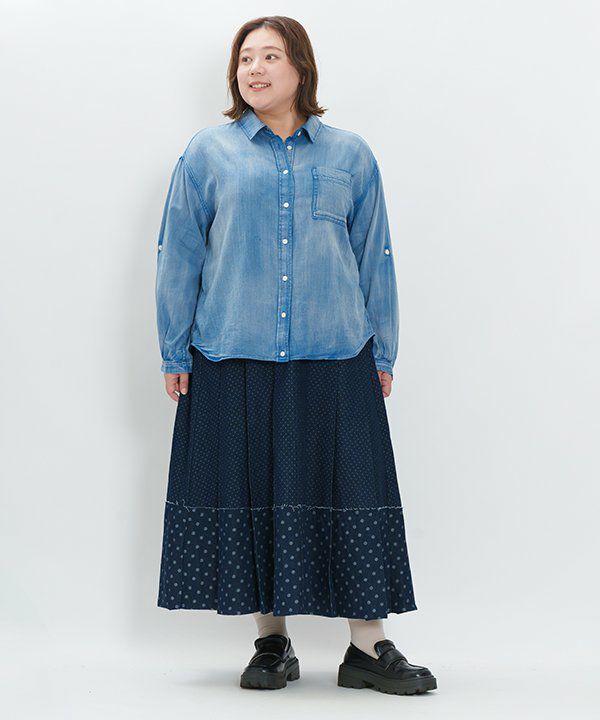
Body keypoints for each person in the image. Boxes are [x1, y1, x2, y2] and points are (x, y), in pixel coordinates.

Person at [154, 15, 437, 695]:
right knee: (256, 495)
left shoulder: (350, 156)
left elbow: (375, 256)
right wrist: (173, 349)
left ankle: (367, 647)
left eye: (270, 56)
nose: (254, 69)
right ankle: (272, 643)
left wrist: (384, 349)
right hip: (232, 353)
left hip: (337, 353)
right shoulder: (208, 154)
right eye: (245, 59)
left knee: (353, 495)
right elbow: (178, 254)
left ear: (301, 68)